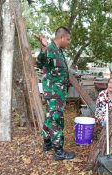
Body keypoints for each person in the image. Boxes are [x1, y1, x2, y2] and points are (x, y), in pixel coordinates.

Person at [36, 26, 75, 160]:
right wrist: (44, 48)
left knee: (49, 118)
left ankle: (47, 143)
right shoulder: (51, 49)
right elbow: (40, 63)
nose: (69, 42)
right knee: (55, 120)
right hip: (54, 93)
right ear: (62, 38)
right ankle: (58, 151)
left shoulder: (58, 51)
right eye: (68, 39)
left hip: (58, 92)